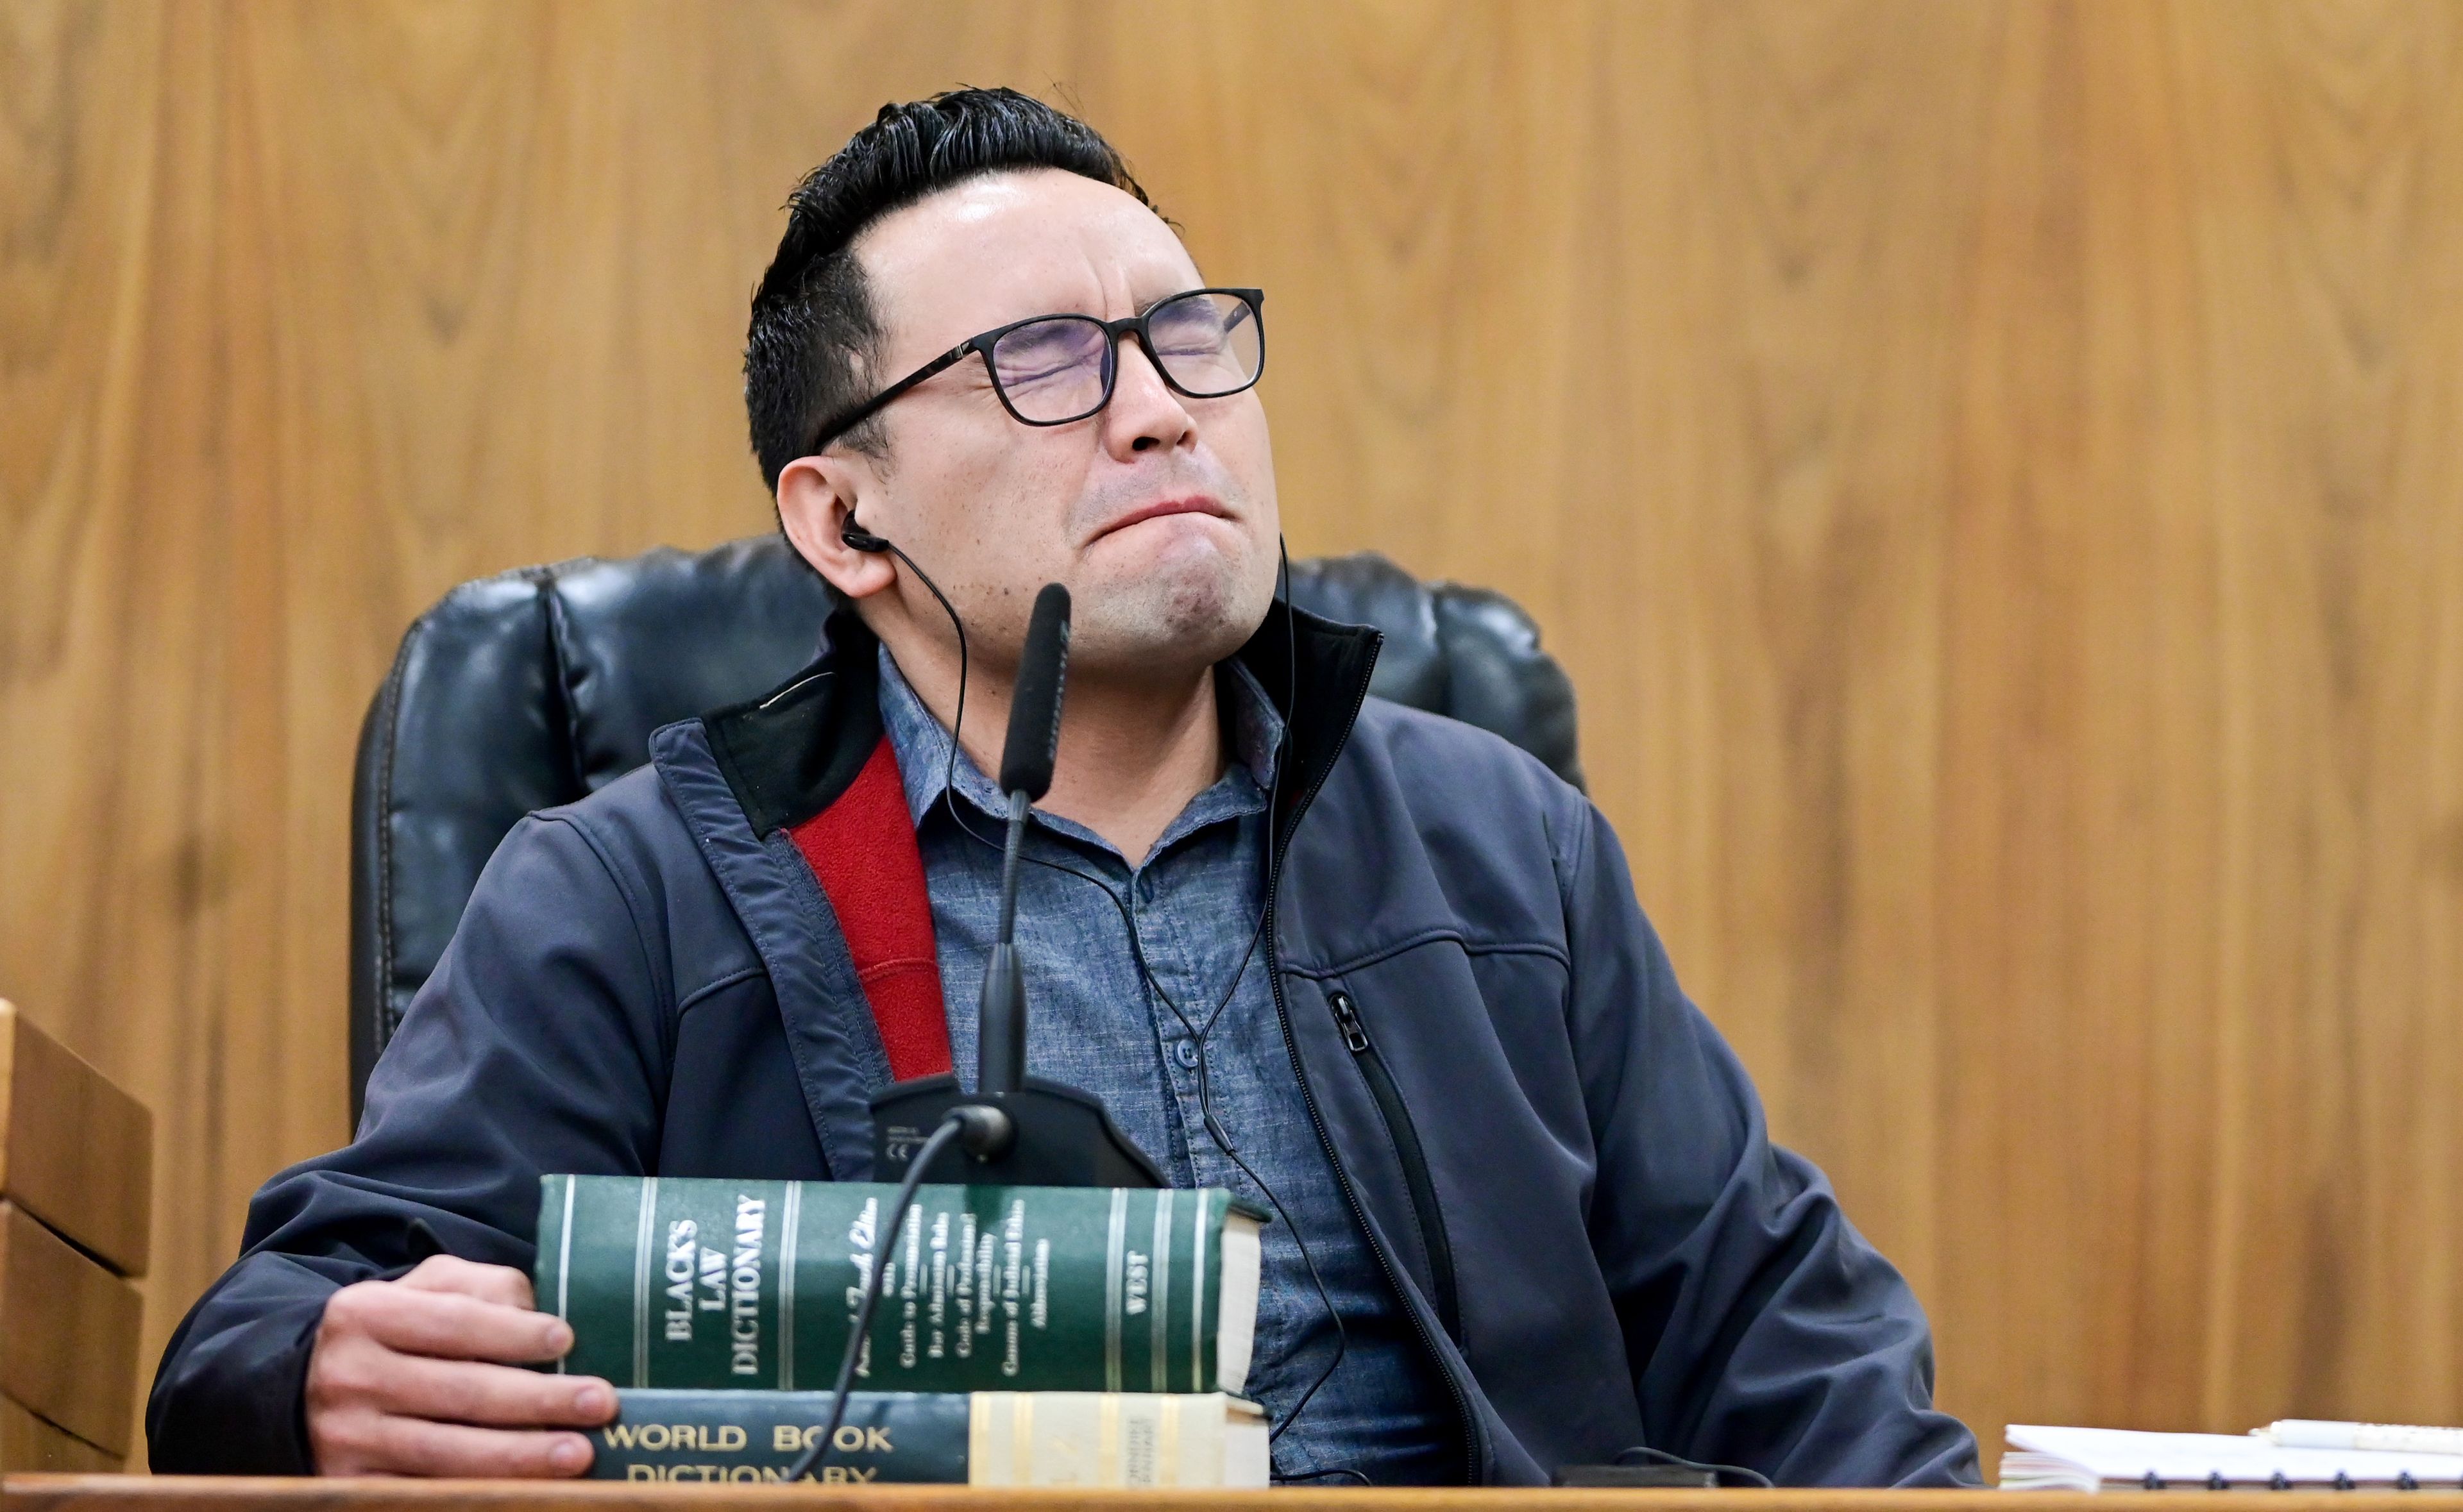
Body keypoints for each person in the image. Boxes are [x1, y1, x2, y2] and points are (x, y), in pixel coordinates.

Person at [148, 88, 1979, 1486]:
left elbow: (1790, 1342)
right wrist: (316, 1369)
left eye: (1190, 335)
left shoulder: (1500, 848)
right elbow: (288, 1317)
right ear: (842, 517)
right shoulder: (637, 892)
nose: (1165, 407)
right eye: (1045, 363)